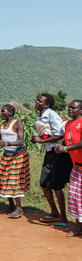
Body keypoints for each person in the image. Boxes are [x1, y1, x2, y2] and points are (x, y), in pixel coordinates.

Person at [32, 93, 71, 229]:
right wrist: (38, 138)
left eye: (40, 101)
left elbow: (60, 134)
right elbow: (47, 132)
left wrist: (41, 140)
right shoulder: (40, 115)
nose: (36, 102)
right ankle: (54, 212)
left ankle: (64, 218)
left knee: (56, 186)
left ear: (47, 104)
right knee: (44, 183)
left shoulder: (51, 115)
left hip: (58, 154)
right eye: (37, 100)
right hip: (50, 152)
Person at [0, 104, 29, 219]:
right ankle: (11, 205)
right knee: (4, 180)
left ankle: (19, 208)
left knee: (15, 182)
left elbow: (21, 141)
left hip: (18, 156)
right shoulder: (3, 125)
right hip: (6, 156)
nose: (1, 113)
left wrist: (8, 144)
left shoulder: (18, 124)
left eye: (3, 112)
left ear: (10, 113)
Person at [55, 100, 82, 237]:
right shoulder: (69, 124)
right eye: (69, 107)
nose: (70, 109)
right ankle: (78, 227)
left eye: (73, 107)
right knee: (75, 198)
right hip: (76, 167)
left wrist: (66, 148)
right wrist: (59, 143)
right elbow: (66, 138)